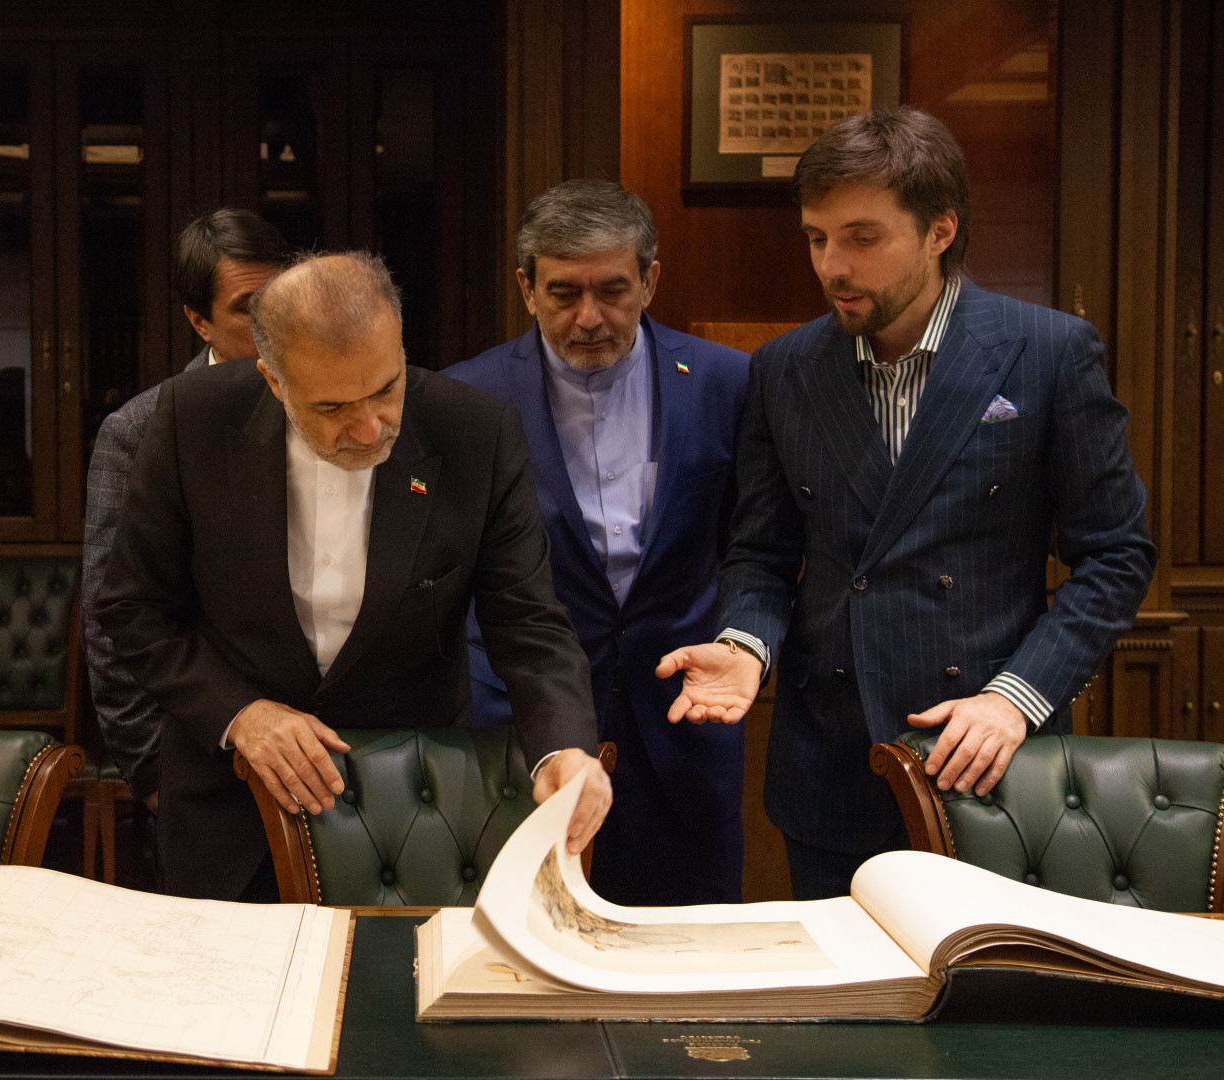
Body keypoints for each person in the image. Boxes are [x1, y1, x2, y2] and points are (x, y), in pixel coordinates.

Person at [658, 107, 1156, 899]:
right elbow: (762, 550)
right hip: (830, 762)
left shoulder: (1049, 352)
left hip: (985, 756)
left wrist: (1015, 699)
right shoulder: (785, 368)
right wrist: (746, 642)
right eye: (817, 238)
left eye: (862, 237)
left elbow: (1117, 554)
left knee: (992, 1013)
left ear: (940, 231)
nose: (831, 266)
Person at [94, 251, 612, 901]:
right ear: (273, 381)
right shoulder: (191, 421)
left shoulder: (475, 431)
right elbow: (132, 607)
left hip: (414, 806)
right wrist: (239, 714)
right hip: (230, 812)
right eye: (333, 407)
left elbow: (529, 622)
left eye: (386, 390)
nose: (370, 429)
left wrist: (563, 745)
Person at [445, 180, 748, 906]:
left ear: (650, 281)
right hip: (522, 729)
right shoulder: (468, 397)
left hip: (683, 719)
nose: (589, 318)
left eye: (613, 290)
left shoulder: (726, 382)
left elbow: (752, 546)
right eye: (563, 293)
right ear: (525, 288)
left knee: (685, 954)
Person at [81, 209, 288, 801]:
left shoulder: (331, 407)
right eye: (249, 309)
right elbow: (111, 615)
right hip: (200, 754)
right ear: (199, 322)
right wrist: (152, 769)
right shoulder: (139, 430)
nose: (274, 322)